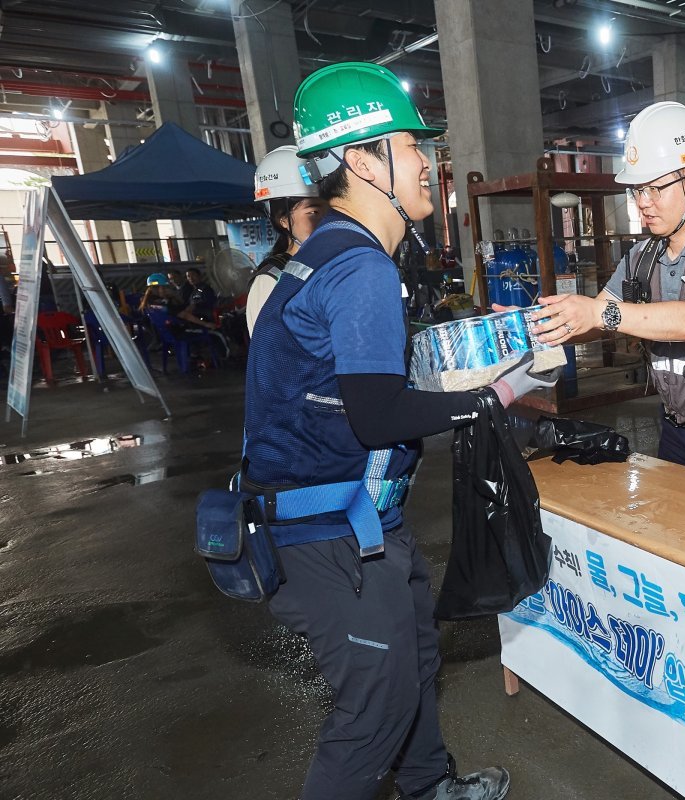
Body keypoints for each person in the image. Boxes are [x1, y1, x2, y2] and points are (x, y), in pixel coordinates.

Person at [242, 61, 552, 800]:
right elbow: (376, 413)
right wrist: (491, 396)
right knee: (373, 711)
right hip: (326, 537)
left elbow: (355, 385)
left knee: (413, 662)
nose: (427, 162)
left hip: (362, 518)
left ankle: (429, 788)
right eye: (411, 147)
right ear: (361, 160)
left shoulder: (334, 253)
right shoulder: (359, 267)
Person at [517, 101, 685, 473]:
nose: (642, 204)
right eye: (637, 191)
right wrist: (530, 328)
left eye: (654, 189)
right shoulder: (640, 257)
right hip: (672, 426)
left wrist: (598, 311)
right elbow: (591, 320)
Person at [247, 145, 329, 335]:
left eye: (330, 211)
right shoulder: (271, 279)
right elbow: (268, 353)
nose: (325, 220)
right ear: (282, 219)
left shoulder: (330, 264)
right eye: (313, 212)